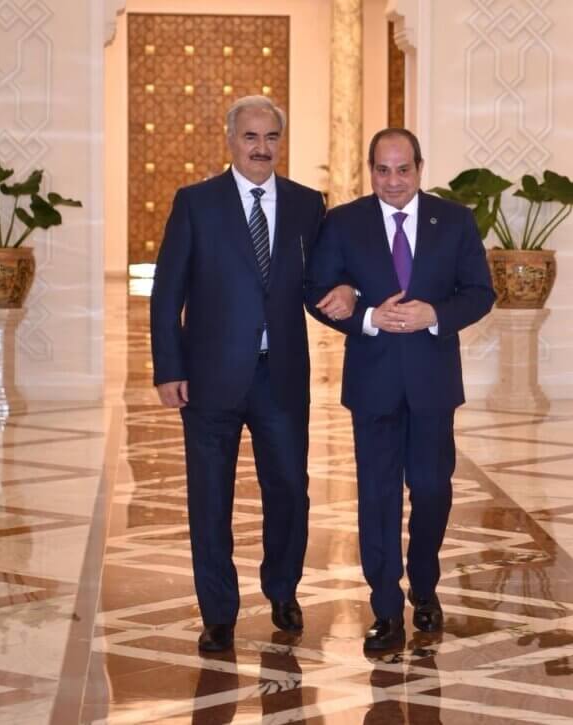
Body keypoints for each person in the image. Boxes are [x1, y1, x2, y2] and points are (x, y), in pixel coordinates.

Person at [150, 96, 354, 652]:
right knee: (209, 498)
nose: (261, 148)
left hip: (280, 377)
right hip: (208, 377)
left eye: (271, 137)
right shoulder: (196, 203)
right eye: (250, 137)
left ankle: (283, 589)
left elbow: (318, 282)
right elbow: (167, 292)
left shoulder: (307, 204)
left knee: (289, 490)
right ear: (230, 140)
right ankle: (218, 612)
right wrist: (168, 368)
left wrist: (348, 293)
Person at [305, 128, 495, 652]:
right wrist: (366, 316)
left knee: (432, 490)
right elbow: (317, 289)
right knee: (378, 495)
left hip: (433, 383)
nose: (393, 181)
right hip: (374, 383)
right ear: (371, 170)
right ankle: (385, 606)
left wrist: (436, 314)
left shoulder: (453, 221)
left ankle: (425, 585)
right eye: (383, 170)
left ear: (419, 168)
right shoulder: (344, 222)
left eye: (403, 169)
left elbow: (480, 292)